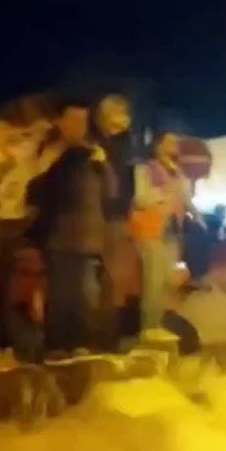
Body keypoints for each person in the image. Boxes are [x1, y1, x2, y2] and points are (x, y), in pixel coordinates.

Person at [0, 94, 54, 371]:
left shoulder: (34, 146)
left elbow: (31, 174)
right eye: (43, 124)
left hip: (11, 220)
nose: (45, 131)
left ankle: (2, 348)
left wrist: (27, 211)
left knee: (4, 287)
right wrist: (1, 163)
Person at [28, 100, 115, 360]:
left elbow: (111, 193)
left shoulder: (94, 155)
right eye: (73, 119)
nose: (79, 126)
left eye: (83, 120)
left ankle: (81, 343)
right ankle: (56, 345)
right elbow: (36, 192)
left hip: (89, 235)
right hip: (59, 233)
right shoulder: (51, 152)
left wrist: (104, 165)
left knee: (85, 293)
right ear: (61, 122)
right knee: (61, 291)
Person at [131, 132, 192, 338]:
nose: (175, 145)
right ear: (158, 146)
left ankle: (160, 326)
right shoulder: (144, 169)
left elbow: (186, 197)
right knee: (154, 284)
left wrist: (178, 177)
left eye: (176, 142)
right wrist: (164, 194)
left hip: (172, 232)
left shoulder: (177, 172)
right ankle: (149, 330)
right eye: (170, 141)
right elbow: (140, 198)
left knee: (168, 283)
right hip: (151, 232)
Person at [94, 94, 142, 350]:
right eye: (118, 113)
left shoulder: (123, 146)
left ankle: (108, 334)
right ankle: (103, 333)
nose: (123, 119)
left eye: (125, 114)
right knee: (106, 278)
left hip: (116, 216)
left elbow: (128, 184)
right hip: (101, 215)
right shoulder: (100, 144)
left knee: (115, 278)